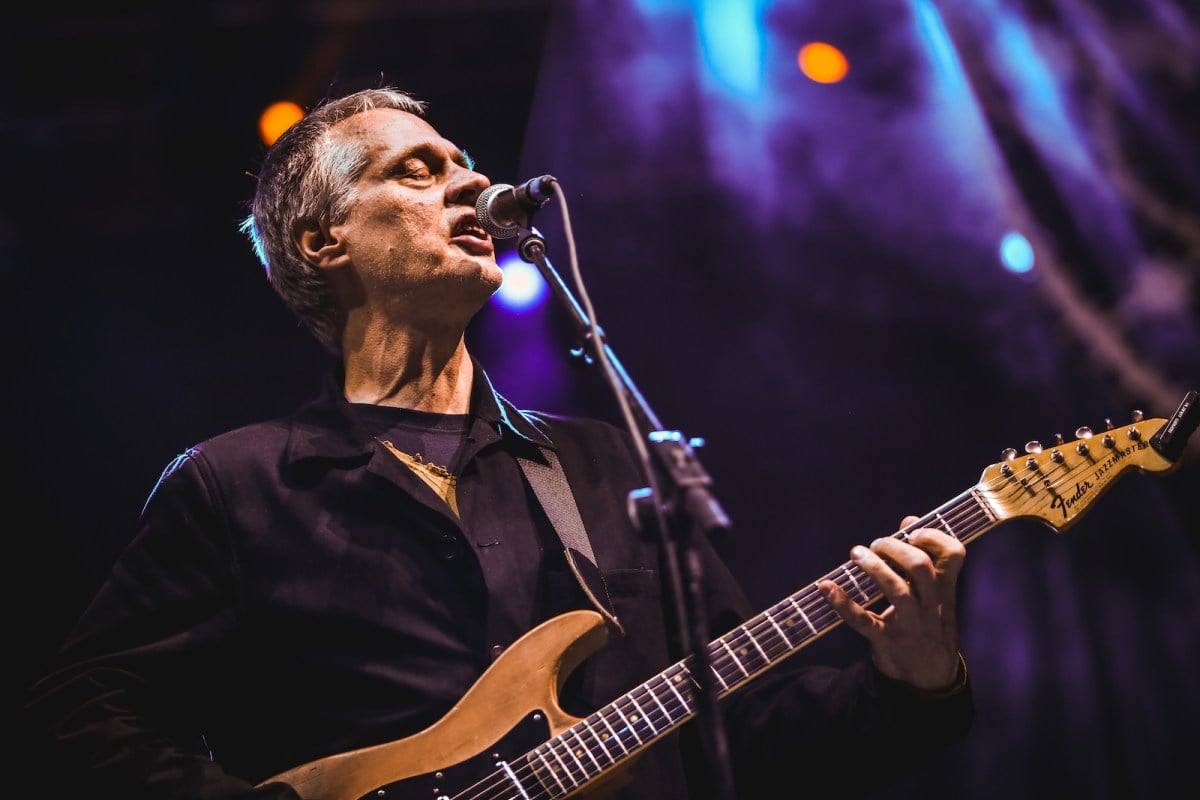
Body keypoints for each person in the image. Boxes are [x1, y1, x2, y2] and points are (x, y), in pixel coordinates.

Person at [22, 86, 973, 799]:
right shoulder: (237, 485)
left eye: (463, 160)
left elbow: (743, 738)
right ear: (324, 242)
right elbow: (78, 725)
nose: (473, 181)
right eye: (418, 169)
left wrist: (913, 683)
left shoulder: (604, 467)